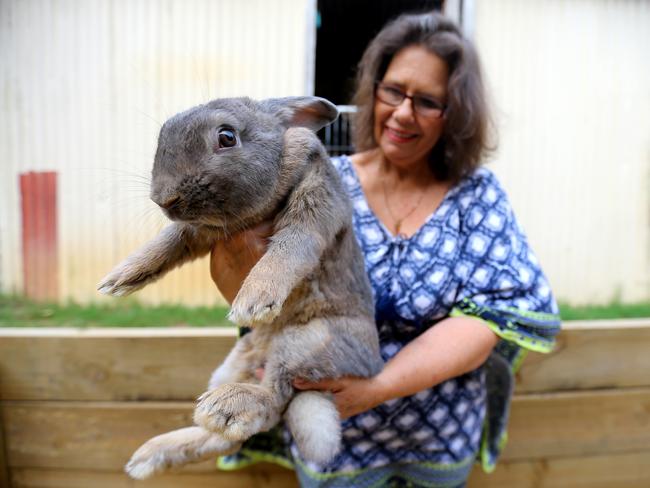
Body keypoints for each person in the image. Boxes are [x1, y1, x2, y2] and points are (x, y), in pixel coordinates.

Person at [211, 11, 561, 488]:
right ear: (374, 89)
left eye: (428, 101)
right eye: (393, 90)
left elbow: (488, 319)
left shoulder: (475, 194)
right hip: (333, 447)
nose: (402, 113)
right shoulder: (322, 183)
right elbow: (254, 293)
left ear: (455, 112)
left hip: (438, 444)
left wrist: (375, 390)